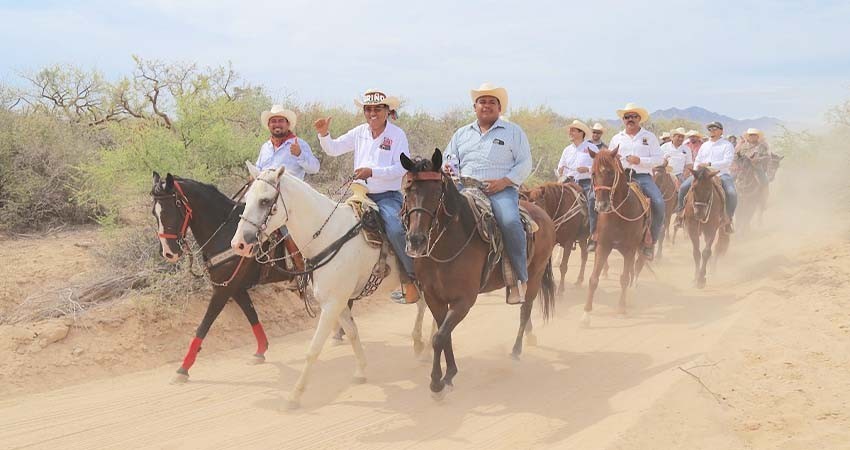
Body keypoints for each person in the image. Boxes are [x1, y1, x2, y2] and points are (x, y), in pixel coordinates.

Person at [313, 89, 419, 304]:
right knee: (335, 227)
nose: (372, 113)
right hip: (359, 195)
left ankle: (412, 280)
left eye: (377, 108)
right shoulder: (359, 132)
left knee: (396, 230)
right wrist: (324, 134)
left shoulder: (396, 135)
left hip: (387, 196)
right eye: (368, 109)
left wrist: (373, 172)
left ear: (387, 111)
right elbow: (333, 149)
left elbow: (401, 167)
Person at [443, 82, 533, 304]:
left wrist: (504, 182)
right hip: (464, 189)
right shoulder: (461, 134)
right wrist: (448, 168)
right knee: (433, 217)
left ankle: (519, 279)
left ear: (499, 108)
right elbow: (449, 158)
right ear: (475, 107)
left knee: (510, 222)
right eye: (482, 101)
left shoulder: (513, 132)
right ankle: (425, 277)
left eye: (492, 102)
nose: (487, 105)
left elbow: (524, 163)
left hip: (499, 191)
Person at [607, 103, 665, 259]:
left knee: (659, 203)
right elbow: (609, 159)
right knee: (596, 198)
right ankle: (599, 235)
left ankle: (650, 242)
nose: (630, 119)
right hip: (621, 177)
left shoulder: (649, 137)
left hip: (642, 176)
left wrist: (640, 160)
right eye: (627, 117)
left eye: (633, 117)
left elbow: (659, 160)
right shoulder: (616, 138)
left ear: (639, 119)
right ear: (623, 120)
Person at [676, 121, 737, 232]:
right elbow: (698, 159)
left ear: (721, 131)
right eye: (710, 129)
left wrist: (709, 164)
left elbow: (727, 162)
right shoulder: (705, 145)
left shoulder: (727, 145)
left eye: (715, 129)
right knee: (683, 187)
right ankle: (680, 215)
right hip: (701, 175)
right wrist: (695, 171)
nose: (712, 131)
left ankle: (728, 219)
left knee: (731, 193)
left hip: (721, 174)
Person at [557, 120, 599, 250]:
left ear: (581, 133)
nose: (570, 132)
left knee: (592, 199)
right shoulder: (567, 150)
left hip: (585, 182)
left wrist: (587, 169)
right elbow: (560, 166)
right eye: (570, 130)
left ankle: (593, 235)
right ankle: (559, 232)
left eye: (573, 130)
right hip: (568, 182)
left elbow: (599, 167)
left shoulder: (591, 148)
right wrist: (560, 170)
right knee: (552, 199)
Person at [256, 105, 320, 178]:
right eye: (273, 121)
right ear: (269, 125)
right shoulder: (265, 147)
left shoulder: (299, 144)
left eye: (281, 121)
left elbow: (315, 169)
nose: (277, 124)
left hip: (291, 189)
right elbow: (258, 169)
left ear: (288, 124)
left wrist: (299, 154)